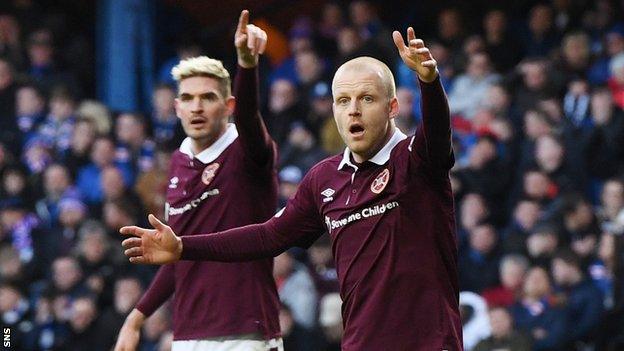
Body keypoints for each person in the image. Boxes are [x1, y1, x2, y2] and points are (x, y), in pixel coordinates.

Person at [121, 27, 462, 350]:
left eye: (366, 98)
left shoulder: (417, 161)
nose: (353, 110)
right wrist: (183, 246)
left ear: (392, 108)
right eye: (343, 101)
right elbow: (268, 236)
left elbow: (437, 133)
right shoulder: (324, 179)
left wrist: (429, 81)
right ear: (333, 110)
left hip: (428, 343)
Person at [114, 10, 282, 351]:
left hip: (246, 331)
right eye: (188, 99)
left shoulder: (249, 150)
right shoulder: (179, 161)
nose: (197, 108)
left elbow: (251, 117)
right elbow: (175, 251)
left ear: (229, 105)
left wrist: (246, 65)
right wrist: (136, 317)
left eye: (208, 97)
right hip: (188, 333)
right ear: (176, 108)